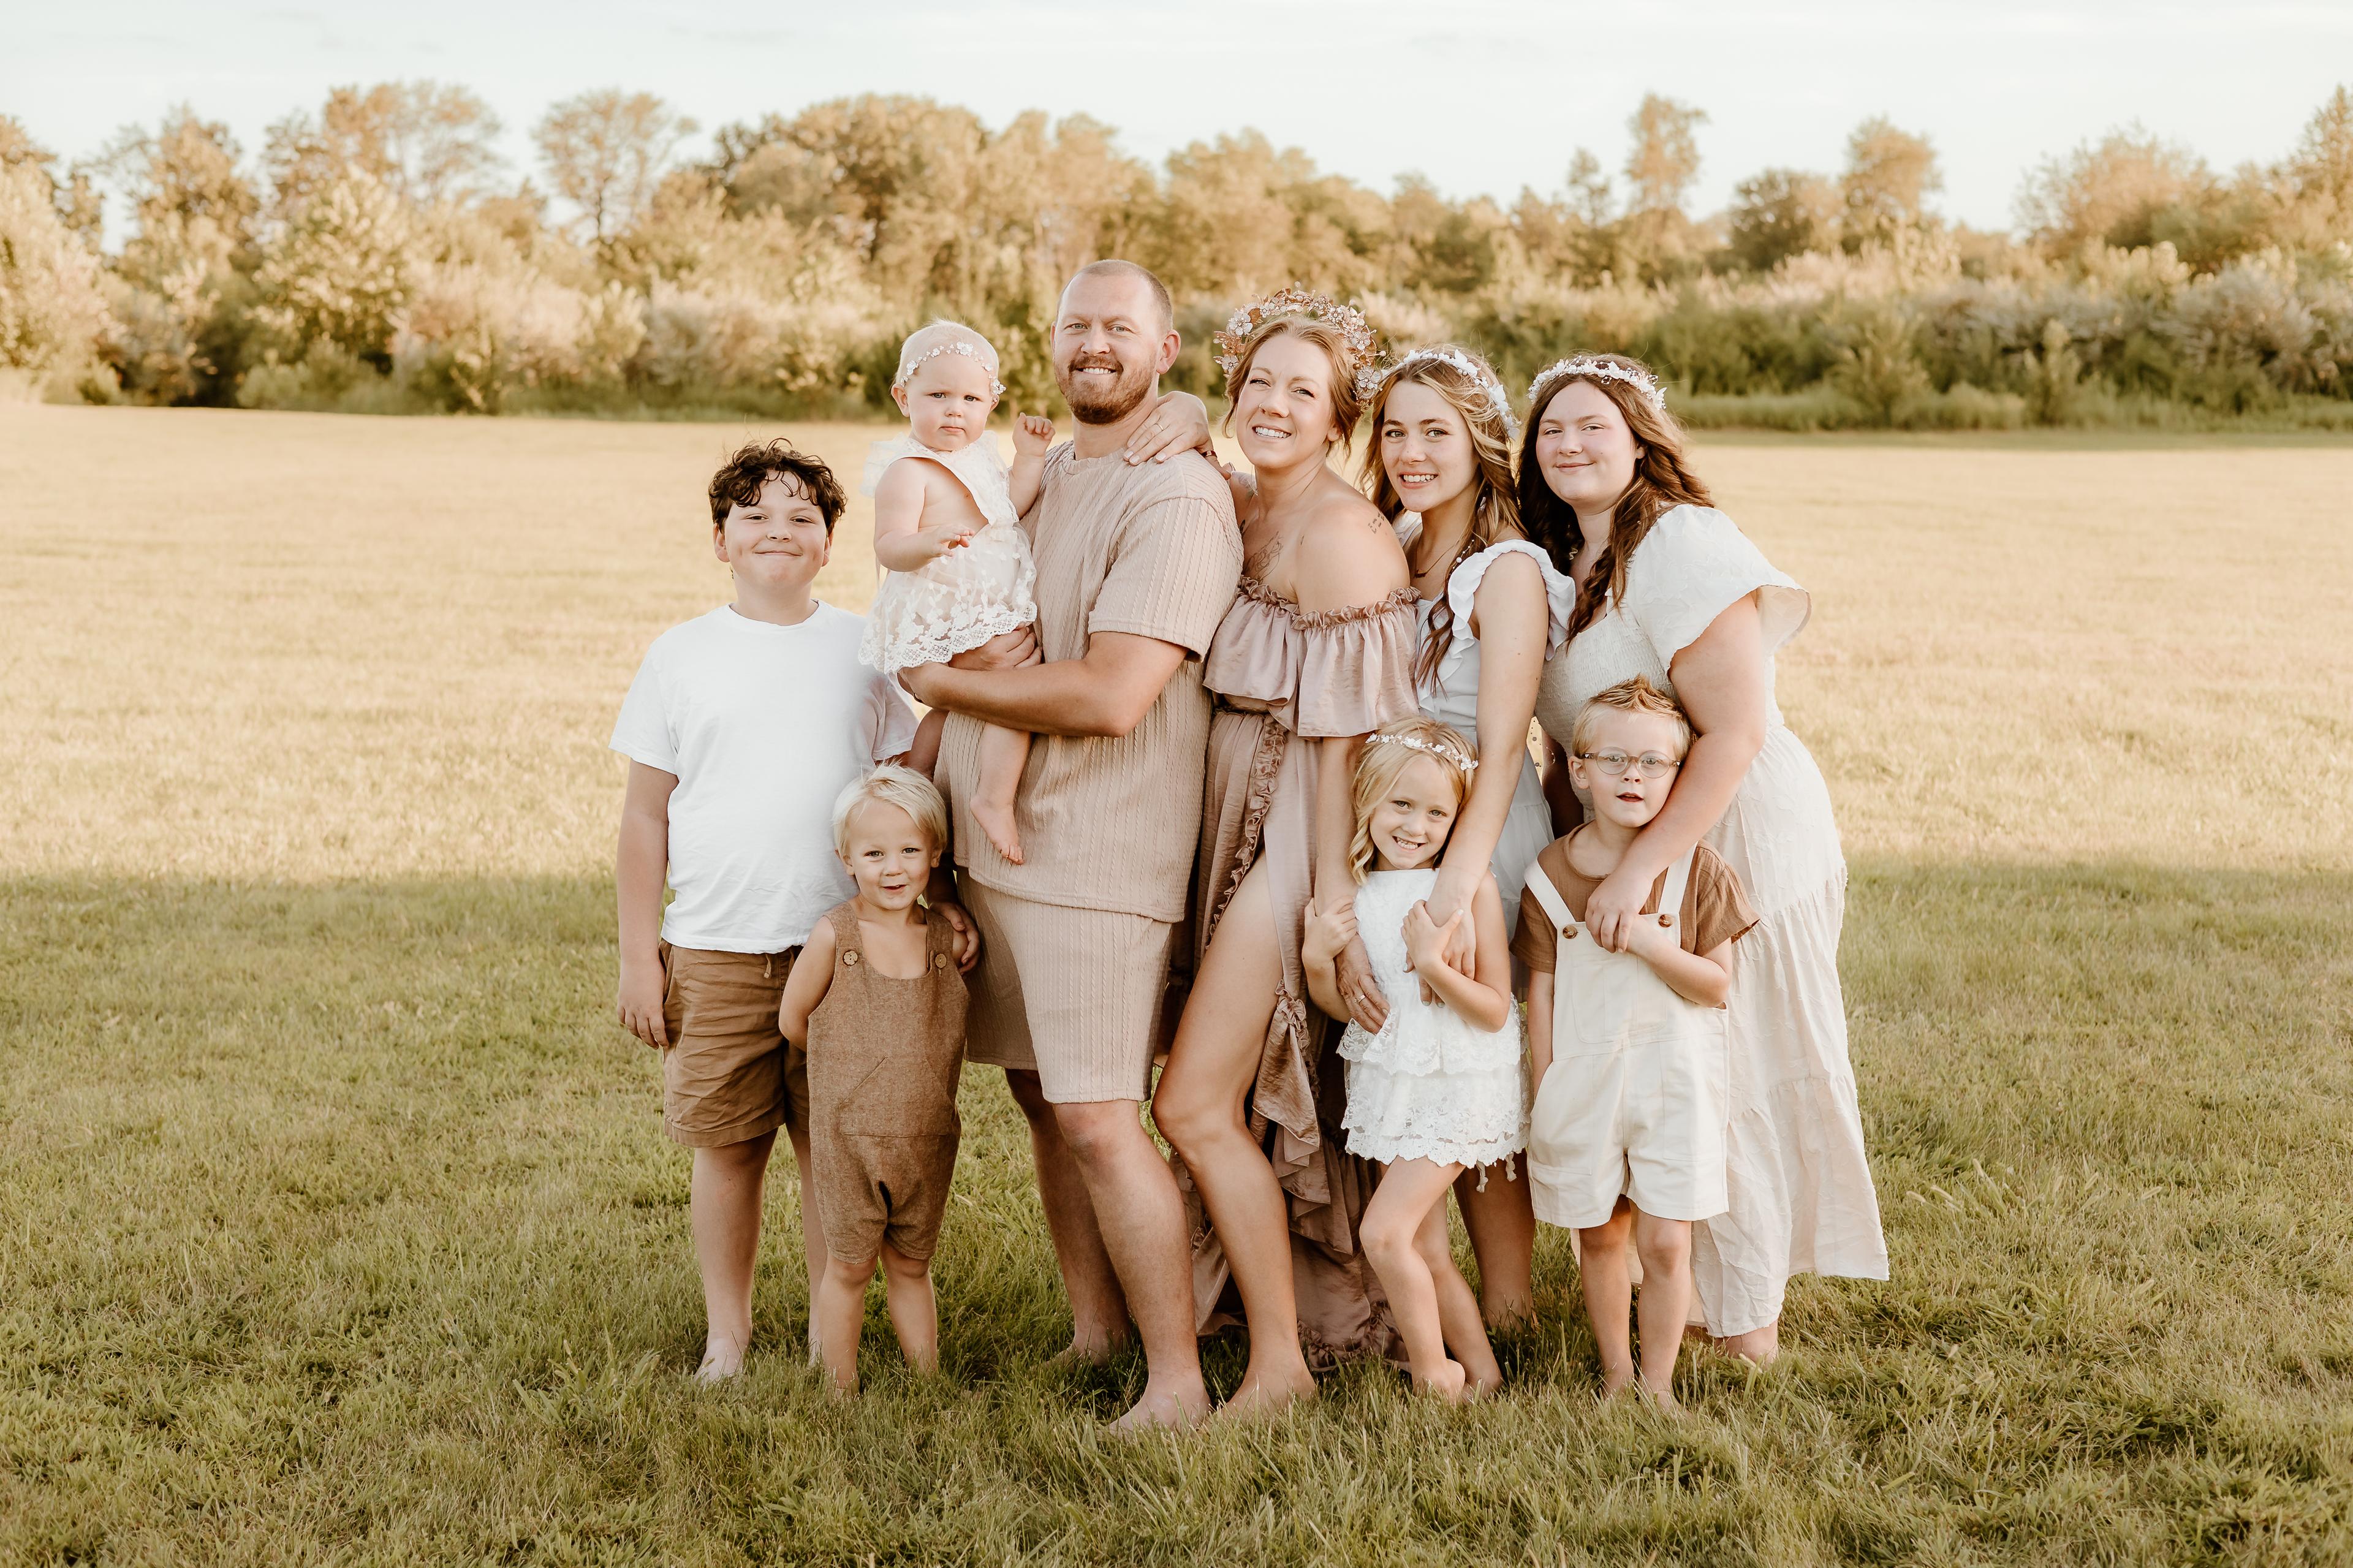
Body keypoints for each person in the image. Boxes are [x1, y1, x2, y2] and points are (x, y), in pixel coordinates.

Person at [899, 260, 1240, 1431]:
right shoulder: (1054, 468)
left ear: (1169, 346)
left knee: (1100, 1109)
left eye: (1120, 328)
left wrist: (928, 680)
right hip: (1004, 841)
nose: (1094, 345)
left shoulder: (1179, 497)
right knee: (1045, 1097)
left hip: (1099, 849)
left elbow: (1109, 696)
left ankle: (1180, 1380)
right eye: (1075, 325)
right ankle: (1096, 1330)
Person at [1522, 352, 1888, 1364]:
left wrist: (1640, 873)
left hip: (1737, 825)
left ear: (1640, 439)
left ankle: (1746, 1323)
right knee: (1666, 1059)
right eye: (1552, 430)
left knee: (1733, 1053)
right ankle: (1684, 1299)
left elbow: (1733, 730)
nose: (1572, 444)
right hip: (1634, 831)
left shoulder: (1681, 542)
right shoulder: (1565, 569)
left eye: (1595, 425)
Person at [610, 439, 968, 1382]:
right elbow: (646, 815)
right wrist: (639, 956)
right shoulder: (680, 654)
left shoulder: (864, 650)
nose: (779, 531)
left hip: (845, 947)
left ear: (831, 542)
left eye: (801, 517)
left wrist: (944, 900)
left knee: (837, 1150)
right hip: (718, 944)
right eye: (755, 517)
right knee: (728, 1146)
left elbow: (910, 790)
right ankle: (727, 1334)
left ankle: (829, 1331)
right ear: (722, 540)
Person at [1152, 287, 1418, 1413]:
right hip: (1228, 815)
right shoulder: (1237, 503)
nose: (1273, 403)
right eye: (1259, 380)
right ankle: (1263, 1324)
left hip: (1300, 834)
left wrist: (1324, 904)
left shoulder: (1342, 534)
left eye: (1301, 391)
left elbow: (1347, 747)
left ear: (1338, 414)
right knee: (1221, 1094)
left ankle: (1279, 1367)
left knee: (1195, 1100)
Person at [1362, 344, 1569, 1330]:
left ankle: (1512, 1305)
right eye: (1395, 429)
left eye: (1434, 430)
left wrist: (1454, 888)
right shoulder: (1390, 544)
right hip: (1398, 836)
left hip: (1479, 842)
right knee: (1423, 1062)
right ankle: (1429, 1290)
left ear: (1480, 440)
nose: (1411, 450)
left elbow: (1501, 744)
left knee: (1482, 1068)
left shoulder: (1509, 572)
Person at [1517, 677, 1757, 1406]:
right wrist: (1547, 1084)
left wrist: (1653, 947)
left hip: (1672, 1081)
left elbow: (1717, 987)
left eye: (1654, 763)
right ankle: (1617, 1375)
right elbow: (1544, 991)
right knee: (1599, 1236)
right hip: (1584, 1083)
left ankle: (1658, 1383)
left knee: (1664, 1241)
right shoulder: (1549, 877)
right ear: (1578, 771)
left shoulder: (1697, 872)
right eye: (1614, 760)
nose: (1633, 776)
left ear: (1679, 777)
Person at [1303, 718, 1523, 1401]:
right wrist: (1317, 960)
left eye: (1436, 812)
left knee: (1385, 1232)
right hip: (1393, 1088)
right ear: (1367, 801)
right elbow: (1354, 1011)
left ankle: (1435, 1375)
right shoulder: (1358, 898)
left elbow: (1493, 1008)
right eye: (1400, 804)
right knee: (1424, 1248)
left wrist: (1434, 963)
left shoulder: (1468, 890)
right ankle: (1482, 1375)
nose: (1416, 826)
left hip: (1457, 1086)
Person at [778, 767, 968, 1396]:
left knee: (912, 1265)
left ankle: (929, 1383)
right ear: (846, 858)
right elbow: (795, 1020)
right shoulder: (838, 936)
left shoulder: (944, 939)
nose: (894, 867)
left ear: (935, 854)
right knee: (851, 1266)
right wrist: (849, 1067)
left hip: (926, 1136)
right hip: (849, 1140)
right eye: (874, 853)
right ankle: (839, 1390)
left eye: (910, 850)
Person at [861, 322, 1055, 866]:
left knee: (957, 706)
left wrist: (1031, 456)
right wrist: (923, 542)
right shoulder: (908, 470)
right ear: (904, 398)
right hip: (946, 607)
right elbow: (888, 546)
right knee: (1014, 690)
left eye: (971, 399)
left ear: (991, 404)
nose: (955, 410)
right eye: (938, 396)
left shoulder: (982, 461)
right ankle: (994, 798)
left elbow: (1010, 505)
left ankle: (915, 775)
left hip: (982, 606)